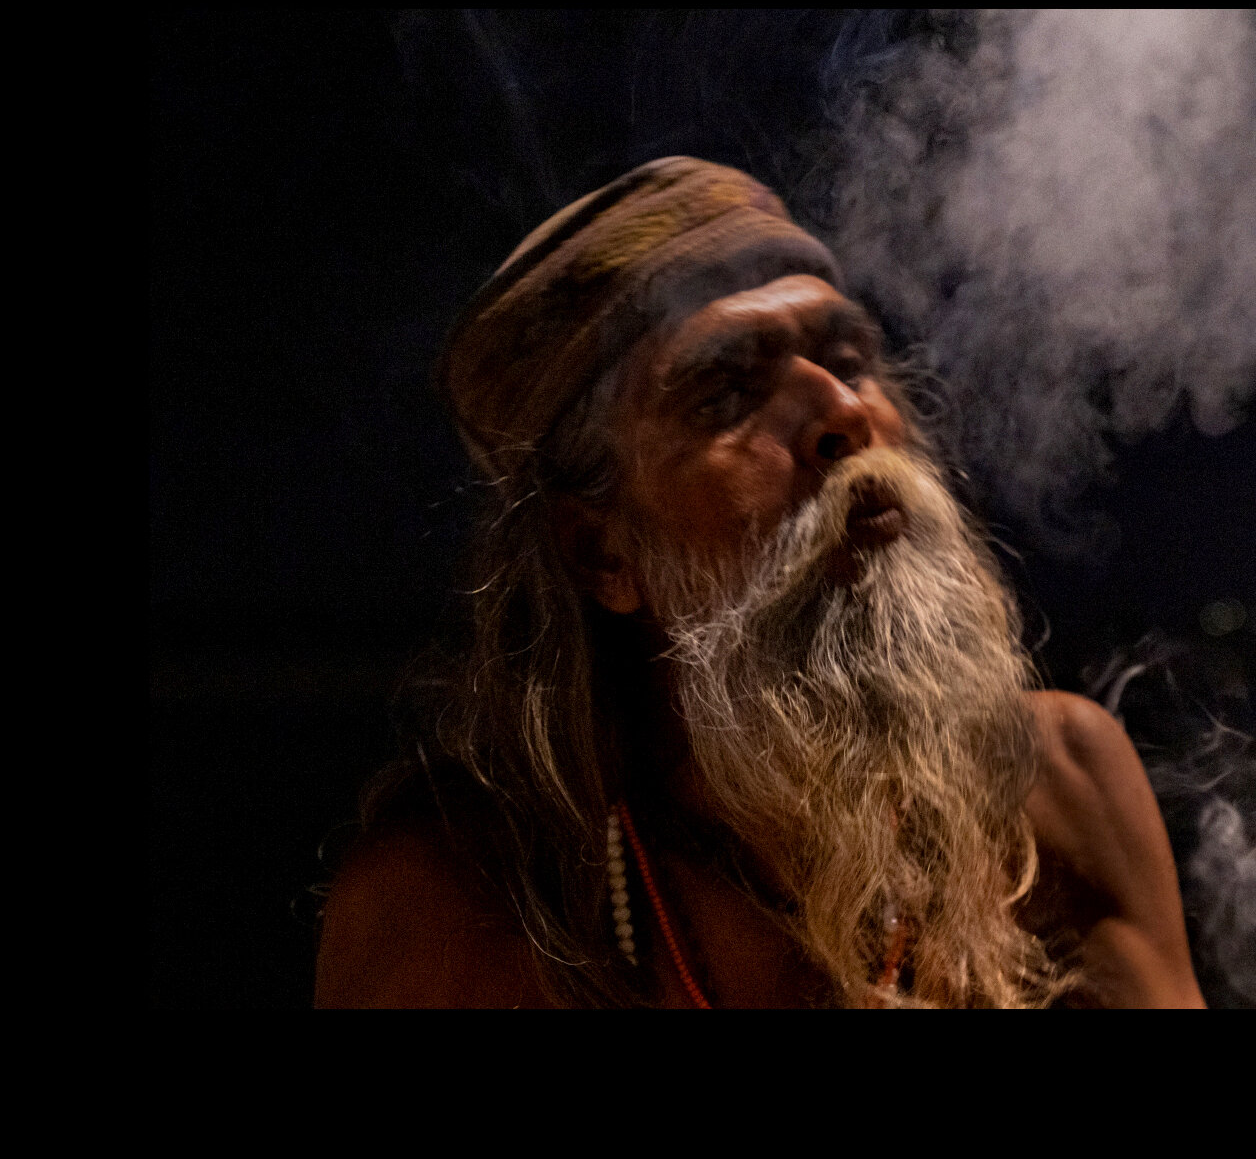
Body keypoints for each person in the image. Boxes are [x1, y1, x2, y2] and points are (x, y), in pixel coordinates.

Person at [313, 157, 1205, 1008]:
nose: (845, 412)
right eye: (728, 392)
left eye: (849, 359)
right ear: (600, 554)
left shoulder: (1054, 787)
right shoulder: (448, 908)